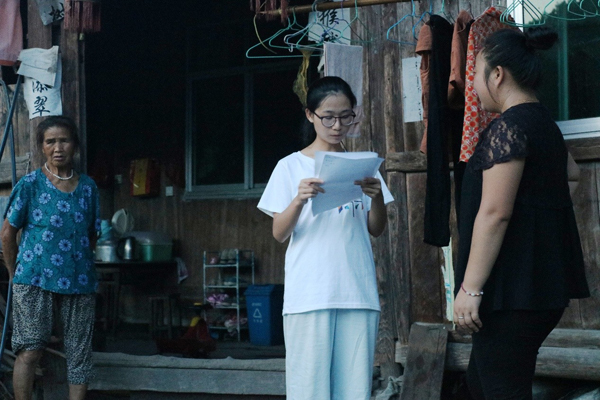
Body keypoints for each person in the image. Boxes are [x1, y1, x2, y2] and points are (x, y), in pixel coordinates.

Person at [453, 27, 590, 399]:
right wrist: (532, 221)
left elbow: (495, 212)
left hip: (510, 294)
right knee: (480, 385)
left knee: (501, 389)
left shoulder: (509, 128)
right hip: (537, 287)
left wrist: (470, 289)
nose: (473, 86)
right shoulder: (544, 123)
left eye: (476, 74)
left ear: (497, 75)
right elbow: (571, 176)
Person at [257, 76, 394, 400]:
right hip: (310, 293)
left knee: (354, 391)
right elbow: (279, 233)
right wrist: (299, 200)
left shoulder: (363, 166)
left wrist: (376, 197)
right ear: (310, 115)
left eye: (346, 116)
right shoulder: (290, 167)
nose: (337, 126)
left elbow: (376, 228)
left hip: (357, 290)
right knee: (309, 390)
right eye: (328, 117)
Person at [1, 116, 101, 400]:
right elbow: (7, 234)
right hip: (34, 278)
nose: (58, 148)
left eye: (64, 140)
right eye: (51, 141)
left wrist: (80, 261)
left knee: (79, 353)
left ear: (75, 145)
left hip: (79, 280)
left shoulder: (88, 188)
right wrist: (14, 272)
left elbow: (91, 234)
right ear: (42, 147)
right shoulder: (30, 184)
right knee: (30, 348)